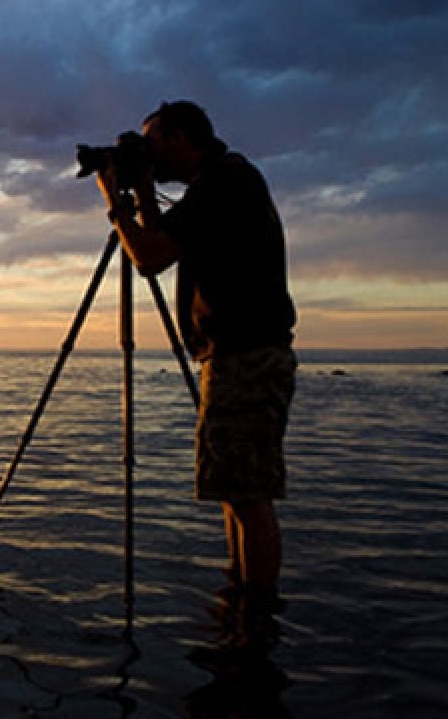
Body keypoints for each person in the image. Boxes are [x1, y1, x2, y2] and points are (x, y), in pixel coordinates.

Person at [94, 101, 297, 617]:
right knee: (236, 490)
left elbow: (150, 257)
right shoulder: (226, 181)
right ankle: (240, 602)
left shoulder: (220, 186)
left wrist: (116, 207)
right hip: (238, 356)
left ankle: (255, 620)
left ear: (181, 139)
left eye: (152, 145)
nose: (149, 157)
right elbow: (165, 241)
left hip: (244, 358)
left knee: (248, 495)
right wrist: (141, 191)